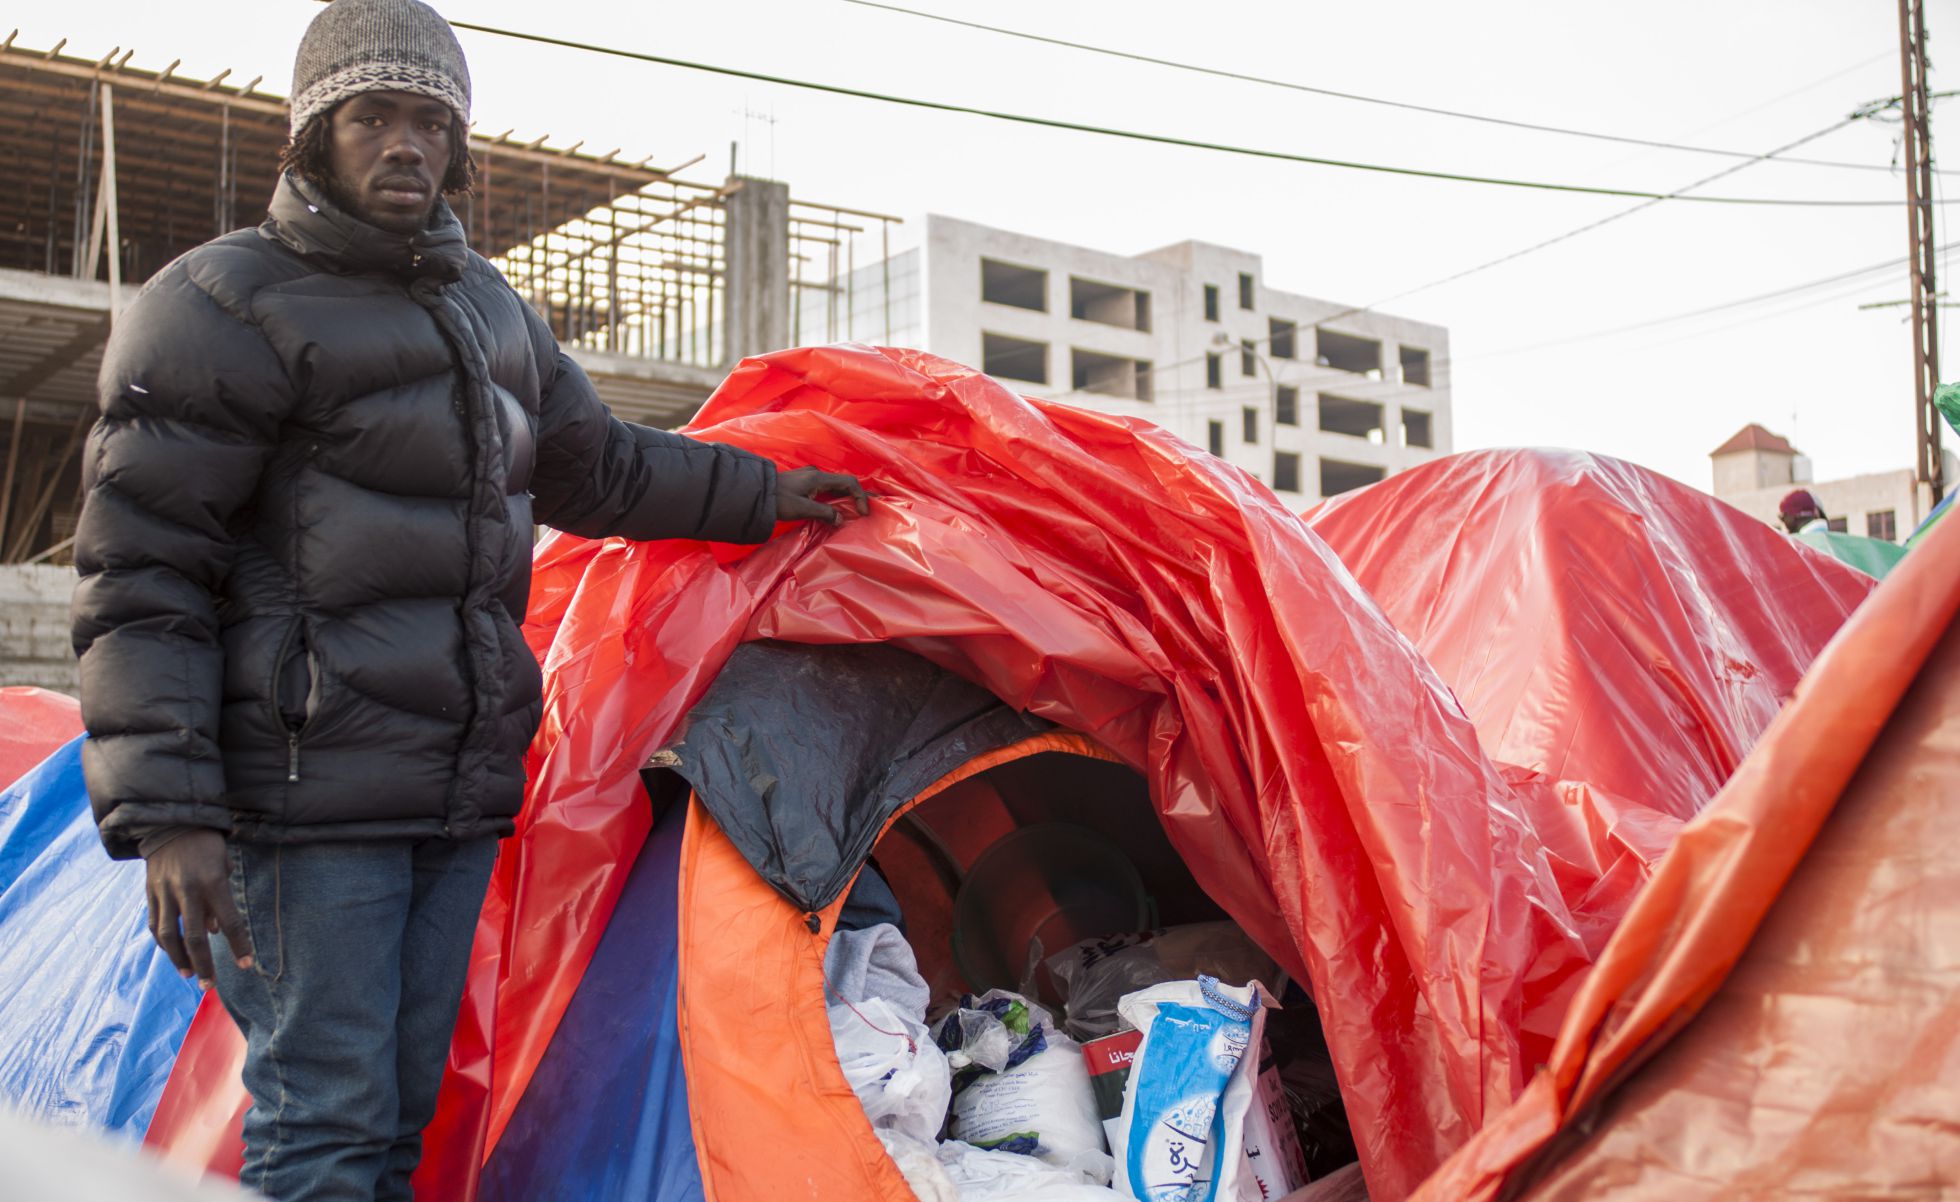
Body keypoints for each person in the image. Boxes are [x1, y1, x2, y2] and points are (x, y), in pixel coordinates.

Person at [68, 2, 867, 1198]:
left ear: (459, 145)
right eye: (372, 116)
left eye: (430, 121)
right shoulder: (222, 304)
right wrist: (170, 813)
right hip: (300, 799)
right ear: (312, 137)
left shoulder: (489, 311)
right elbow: (142, 573)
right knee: (326, 1121)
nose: (405, 144)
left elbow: (602, 468)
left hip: (452, 789)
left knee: (394, 1120)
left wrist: (769, 492)